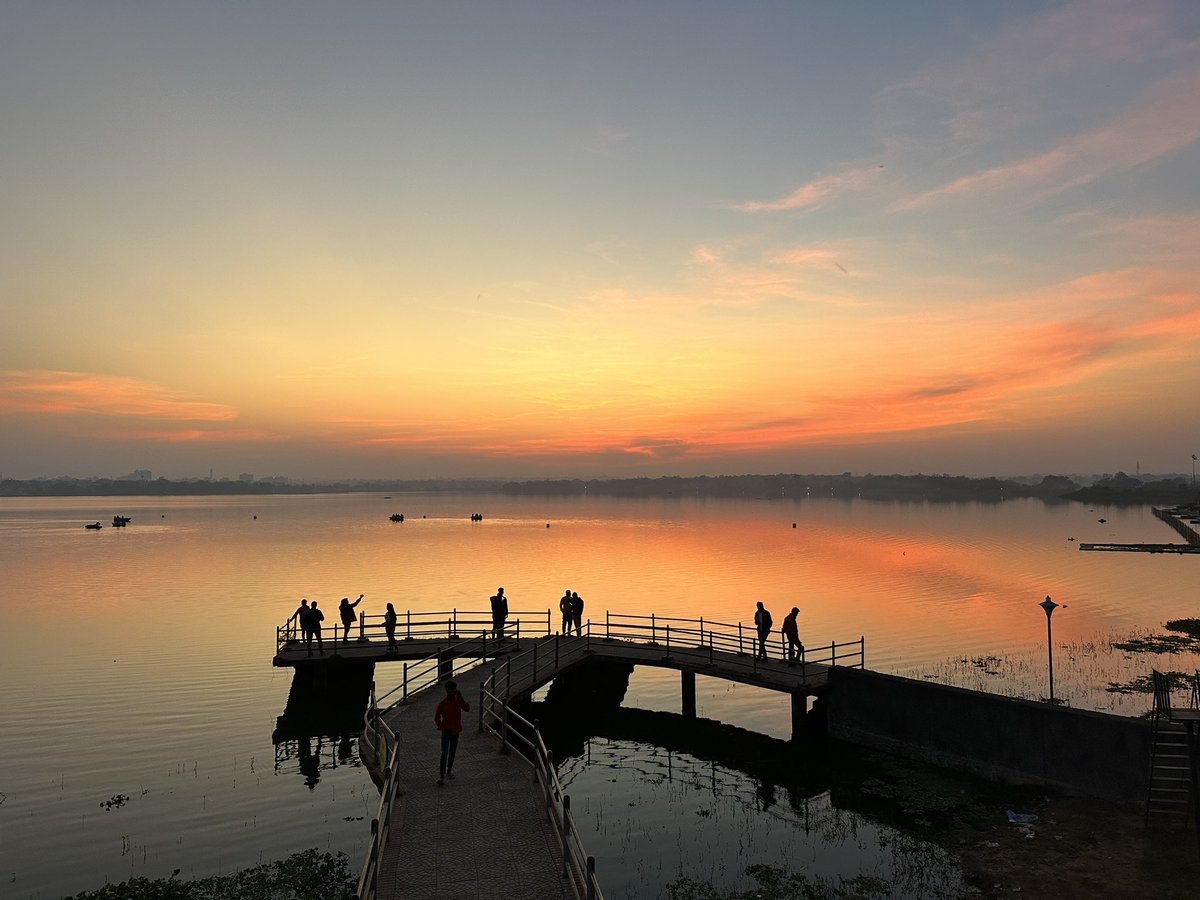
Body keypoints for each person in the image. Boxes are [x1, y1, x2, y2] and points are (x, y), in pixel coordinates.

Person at [433, 679, 470, 785]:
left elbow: (467, 708)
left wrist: (461, 697)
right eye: (451, 690)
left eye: (454, 689)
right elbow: (437, 718)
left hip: (456, 731)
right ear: (447, 691)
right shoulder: (442, 704)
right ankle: (442, 776)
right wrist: (441, 727)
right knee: (444, 753)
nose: (453, 692)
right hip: (446, 731)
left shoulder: (458, 701)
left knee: (452, 752)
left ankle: (449, 771)